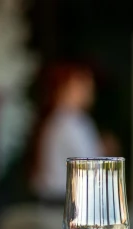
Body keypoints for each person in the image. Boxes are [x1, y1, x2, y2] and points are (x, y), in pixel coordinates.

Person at [28, 63, 106, 202]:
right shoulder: (69, 122)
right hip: (63, 201)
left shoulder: (61, 119)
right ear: (63, 88)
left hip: (58, 199)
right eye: (81, 84)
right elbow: (91, 164)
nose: (89, 89)